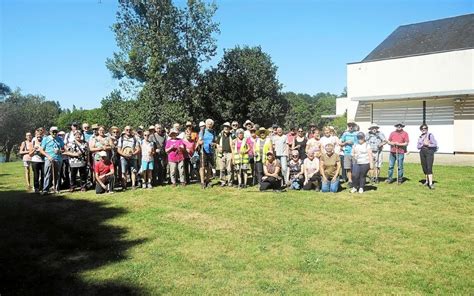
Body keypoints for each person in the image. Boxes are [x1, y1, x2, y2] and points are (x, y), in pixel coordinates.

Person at [39, 126, 65, 195]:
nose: (54, 133)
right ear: (50, 132)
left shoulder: (60, 139)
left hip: (58, 159)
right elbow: (41, 150)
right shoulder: (46, 139)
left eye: (56, 131)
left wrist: (59, 151)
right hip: (48, 159)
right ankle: (45, 190)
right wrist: (48, 156)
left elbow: (63, 149)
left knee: (58, 174)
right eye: (53, 131)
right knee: (47, 174)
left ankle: (56, 188)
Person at [417, 124, 437, 189]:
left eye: (425, 128)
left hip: (429, 152)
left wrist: (428, 144)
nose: (423, 129)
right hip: (422, 152)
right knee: (424, 167)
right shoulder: (420, 137)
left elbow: (435, 144)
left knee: (429, 167)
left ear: (427, 129)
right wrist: (423, 144)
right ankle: (426, 181)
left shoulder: (430, 135)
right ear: (420, 130)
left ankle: (431, 184)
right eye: (422, 128)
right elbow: (418, 146)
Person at [198, 119, 216, 189]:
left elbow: (215, 141)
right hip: (203, 151)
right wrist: (201, 142)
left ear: (212, 125)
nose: (209, 125)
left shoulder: (213, 132)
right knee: (202, 167)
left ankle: (208, 181)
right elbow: (199, 141)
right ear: (206, 124)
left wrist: (213, 144)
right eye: (208, 124)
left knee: (209, 167)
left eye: (210, 124)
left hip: (210, 151)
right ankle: (202, 182)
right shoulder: (202, 131)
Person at [339, 122, 358, 187]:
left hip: (355, 153)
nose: (351, 127)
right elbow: (340, 143)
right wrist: (346, 142)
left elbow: (361, 142)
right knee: (348, 167)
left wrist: (354, 143)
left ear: (354, 126)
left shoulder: (357, 133)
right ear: (348, 126)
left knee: (355, 167)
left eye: (352, 125)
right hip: (347, 153)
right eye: (350, 126)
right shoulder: (345, 134)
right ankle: (350, 180)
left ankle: (355, 180)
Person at [216, 122, 234, 187]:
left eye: (227, 127)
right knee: (222, 168)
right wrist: (218, 148)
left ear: (229, 128)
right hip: (222, 154)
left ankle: (230, 182)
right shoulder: (220, 135)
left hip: (229, 153)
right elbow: (217, 143)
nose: (226, 128)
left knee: (229, 169)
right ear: (223, 128)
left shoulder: (232, 135)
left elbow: (234, 143)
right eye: (225, 127)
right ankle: (223, 181)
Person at [30, 130, 45, 194]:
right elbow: (30, 154)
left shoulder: (44, 141)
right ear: (36, 136)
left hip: (43, 161)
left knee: (43, 175)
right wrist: (34, 149)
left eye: (40, 136)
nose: (39, 138)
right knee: (36, 175)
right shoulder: (33, 142)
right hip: (35, 161)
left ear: (42, 136)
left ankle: (42, 187)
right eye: (38, 136)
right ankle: (36, 188)